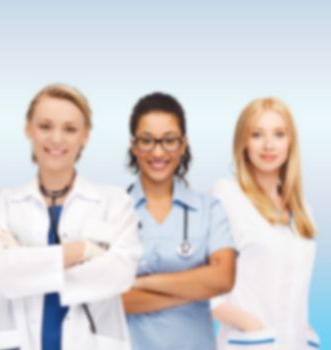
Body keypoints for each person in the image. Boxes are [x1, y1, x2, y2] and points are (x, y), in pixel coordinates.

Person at [0, 83, 140, 350]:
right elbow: (1, 274)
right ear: (28, 129)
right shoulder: (0, 206)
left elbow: (119, 274)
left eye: (69, 129)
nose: (56, 139)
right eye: (45, 126)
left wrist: (23, 260)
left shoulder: (114, 204)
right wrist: (83, 251)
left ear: (85, 135)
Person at [117, 92, 235, 349]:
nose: (158, 152)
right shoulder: (112, 210)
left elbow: (223, 279)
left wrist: (143, 283)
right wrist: (197, 286)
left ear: (183, 145)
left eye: (169, 140)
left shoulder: (209, 209)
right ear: (134, 145)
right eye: (147, 141)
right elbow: (110, 300)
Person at [209, 97, 319, 349]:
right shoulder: (226, 195)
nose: (269, 145)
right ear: (243, 143)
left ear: (291, 143)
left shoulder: (303, 209)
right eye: (257, 134)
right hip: (252, 343)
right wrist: (250, 324)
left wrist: (307, 333)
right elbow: (199, 283)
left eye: (279, 134)